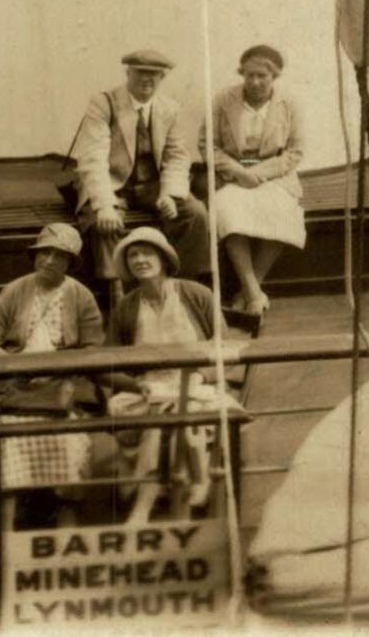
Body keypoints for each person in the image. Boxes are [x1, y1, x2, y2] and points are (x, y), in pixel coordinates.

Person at [0, 224, 105, 523]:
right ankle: (8, 528)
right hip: (17, 380)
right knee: (10, 432)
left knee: (72, 438)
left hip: (63, 381)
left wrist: (60, 369)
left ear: (71, 263)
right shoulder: (14, 291)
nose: (49, 261)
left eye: (60, 256)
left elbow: (93, 350)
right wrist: (18, 366)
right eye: (44, 253)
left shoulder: (81, 297)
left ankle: (66, 521)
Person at [105, 227, 239, 520]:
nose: (140, 260)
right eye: (133, 255)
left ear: (164, 258)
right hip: (149, 389)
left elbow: (227, 350)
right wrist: (137, 385)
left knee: (173, 414)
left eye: (147, 253)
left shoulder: (196, 294)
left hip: (197, 385)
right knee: (165, 413)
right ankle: (191, 490)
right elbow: (107, 364)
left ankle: (147, 499)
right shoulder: (126, 307)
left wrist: (201, 377)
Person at [72, 49, 211, 286]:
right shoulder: (105, 103)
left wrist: (169, 193)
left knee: (194, 214)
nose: (147, 79)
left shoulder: (170, 108)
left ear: (162, 77)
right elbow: (93, 158)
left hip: (152, 187)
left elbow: (177, 156)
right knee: (104, 223)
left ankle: (182, 286)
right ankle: (117, 295)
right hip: (112, 184)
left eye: (154, 74)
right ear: (128, 73)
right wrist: (105, 205)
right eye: (140, 73)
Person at [201, 44, 306, 320]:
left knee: (282, 213)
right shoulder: (224, 99)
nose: (255, 82)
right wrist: (238, 172)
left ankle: (248, 291)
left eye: (262, 76)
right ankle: (253, 291)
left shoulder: (289, 103)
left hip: (275, 175)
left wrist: (258, 174)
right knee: (227, 211)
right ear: (242, 74)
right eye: (249, 75)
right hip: (233, 174)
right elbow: (208, 145)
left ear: (275, 77)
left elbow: (295, 151)